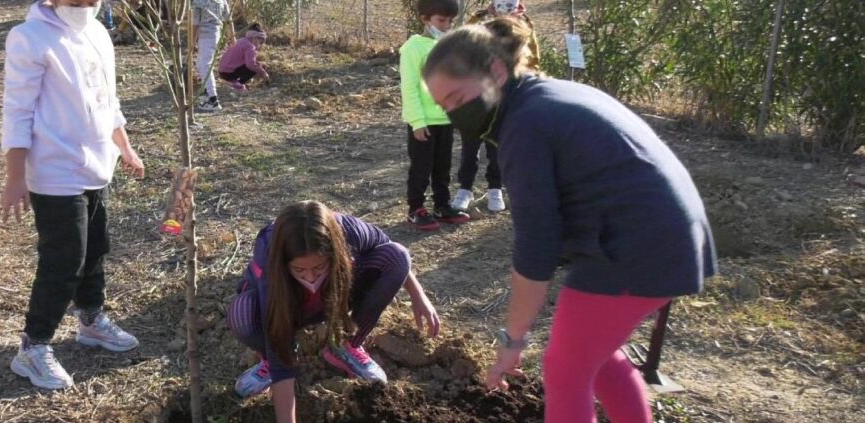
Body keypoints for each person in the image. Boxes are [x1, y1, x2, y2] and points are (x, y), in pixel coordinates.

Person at [423, 18, 715, 423]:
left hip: (634, 246)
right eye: (445, 106)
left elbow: (536, 245)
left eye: (457, 98)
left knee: (565, 371)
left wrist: (513, 339)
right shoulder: (546, 95)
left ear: (496, 71)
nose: (455, 113)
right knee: (597, 358)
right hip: (670, 234)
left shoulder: (525, 125)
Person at [0, 0, 147, 391]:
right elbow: (18, 111)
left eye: (90, 0)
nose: (83, 5)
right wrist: (16, 177)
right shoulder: (29, 38)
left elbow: (107, 101)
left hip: (97, 163)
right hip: (54, 169)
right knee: (64, 259)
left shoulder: (98, 33)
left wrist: (125, 148)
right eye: (74, 0)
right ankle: (33, 346)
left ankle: (91, 320)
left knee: (96, 247)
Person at [228, 201, 441, 423]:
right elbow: (276, 337)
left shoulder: (349, 231)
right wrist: (280, 363)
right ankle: (270, 363)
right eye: (299, 269)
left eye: (319, 267)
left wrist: (418, 295)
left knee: (397, 255)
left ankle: (346, 345)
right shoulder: (269, 256)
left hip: (334, 299)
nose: (310, 278)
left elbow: (396, 256)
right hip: (288, 305)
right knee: (241, 313)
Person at [448, 0, 541, 213]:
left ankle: (495, 188)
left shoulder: (524, 27)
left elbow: (534, 58)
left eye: (510, 4)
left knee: (496, 146)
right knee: (470, 145)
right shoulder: (482, 22)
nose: (505, 9)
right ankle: (465, 189)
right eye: (500, 4)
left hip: (505, 96)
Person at [400, 0, 471, 231]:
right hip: (423, 121)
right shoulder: (413, 47)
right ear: (425, 19)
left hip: (445, 119)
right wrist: (417, 121)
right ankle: (416, 209)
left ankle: (442, 205)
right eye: (441, 20)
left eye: (450, 21)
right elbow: (409, 88)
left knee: (442, 166)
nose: (446, 25)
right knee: (421, 167)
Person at [192, 0, 231, 112]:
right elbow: (228, 20)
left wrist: (192, 42)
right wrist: (231, 37)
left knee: (205, 66)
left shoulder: (198, 2)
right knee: (200, 63)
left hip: (206, 36)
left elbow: (195, 23)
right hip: (216, 35)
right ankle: (206, 91)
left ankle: (213, 100)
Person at [217, 23, 269, 92]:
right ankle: (238, 84)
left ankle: (235, 82)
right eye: (261, 42)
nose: (260, 45)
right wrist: (263, 73)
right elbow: (250, 65)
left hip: (222, 71)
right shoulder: (250, 47)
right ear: (255, 38)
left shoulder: (241, 40)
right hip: (228, 73)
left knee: (256, 65)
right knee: (254, 68)